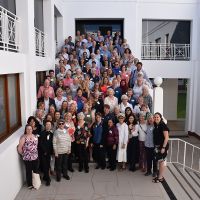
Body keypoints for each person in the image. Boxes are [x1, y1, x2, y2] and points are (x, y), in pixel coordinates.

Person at [152, 112, 169, 183]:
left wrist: (163, 148)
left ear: (160, 118)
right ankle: (159, 176)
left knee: (161, 162)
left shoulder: (163, 125)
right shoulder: (156, 124)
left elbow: (166, 138)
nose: (156, 118)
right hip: (157, 146)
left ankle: (160, 178)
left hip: (162, 147)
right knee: (159, 161)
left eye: (157, 117)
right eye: (155, 117)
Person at [38, 121, 53, 186]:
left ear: (51, 126)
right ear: (45, 125)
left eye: (49, 124)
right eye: (47, 124)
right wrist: (45, 151)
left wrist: (52, 151)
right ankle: (48, 179)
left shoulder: (52, 133)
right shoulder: (41, 133)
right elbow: (40, 143)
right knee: (45, 165)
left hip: (49, 152)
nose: (48, 125)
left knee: (47, 165)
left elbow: (52, 143)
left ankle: (45, 176)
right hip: (43, 153)